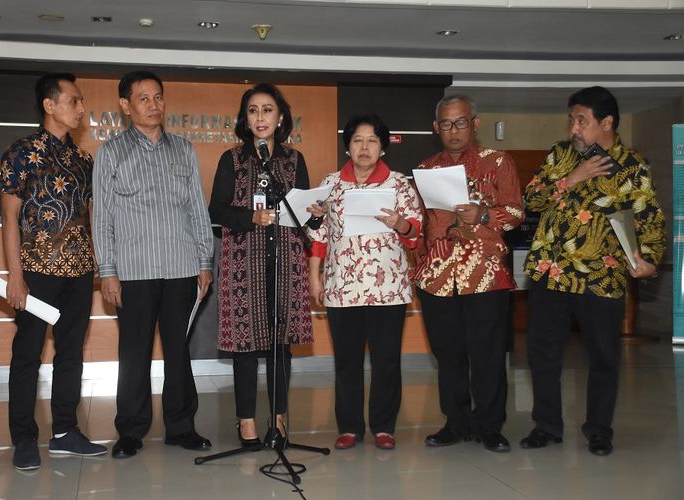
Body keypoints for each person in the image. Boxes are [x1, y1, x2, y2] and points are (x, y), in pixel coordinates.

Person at [520, 86, 665, 456]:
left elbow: (648, 219)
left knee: (603, 356)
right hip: (550, 272)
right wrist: (573, 177)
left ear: (607, 122)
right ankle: (547, 426)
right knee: (543, 354)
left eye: (581, 121)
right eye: (571, 120)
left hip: (602, 277)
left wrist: (648, 259)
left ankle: (599, 430)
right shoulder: (561, 155)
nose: (574, 128)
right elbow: (530, 200)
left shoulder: (632, 165)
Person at [93, 71, 214, 459]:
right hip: (134, 272)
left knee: (179, 350)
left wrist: (204, 260)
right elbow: (103, 217)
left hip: (181, 268)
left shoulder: (183, 149)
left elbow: (197, 208)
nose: (154, 105)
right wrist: (107, 270)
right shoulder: (111, 152)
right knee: (135, 353)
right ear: (125, 106)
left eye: (158, 97)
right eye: (143, 99)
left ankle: (181, 426)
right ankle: (131, 430)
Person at [0, 73, 107, 470]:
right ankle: (23, 437)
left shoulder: (84, 160)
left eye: (81, 102)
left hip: (79, 273)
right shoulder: (21, 152)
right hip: (35, 271)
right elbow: (9, 219)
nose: (81, 108)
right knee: (27, 354)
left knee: (70, 354)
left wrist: (98, 261)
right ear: (50, 105)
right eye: (74, 101)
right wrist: (15, 274)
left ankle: (65, 432)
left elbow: (90, 217)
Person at [413, 95, 524, 453]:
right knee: (449, 356)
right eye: (445, 124)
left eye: (460, 122)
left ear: (475, 123)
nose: (453, 130)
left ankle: (490, 425)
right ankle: (456, 422)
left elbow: (516, 212)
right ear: (436, 128)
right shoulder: (426, 168)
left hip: (486, 277)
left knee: (488, 355)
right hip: (438, 279)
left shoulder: (498, 162)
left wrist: (486, 215)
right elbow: (420, 225)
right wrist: (419, 266)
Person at [307, 114, 422, 450]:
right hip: (342, 286)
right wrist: (315, 276)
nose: (365, 147)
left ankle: (384, 427)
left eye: (372, 141)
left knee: (387, 360)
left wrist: (401, 223)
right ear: (348, 147)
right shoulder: (331, 183)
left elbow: (415, 235)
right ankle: (350, 427)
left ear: (382, 147)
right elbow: (319, 235)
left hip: (389, 289)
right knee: (347, 361)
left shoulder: (399, 185)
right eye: (358, 140)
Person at [209, 83, 314, 448]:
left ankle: (279, 419)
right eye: (253, 111)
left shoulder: (293, 160)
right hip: (243, 263)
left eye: (267, 110)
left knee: (279, 345)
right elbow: (217, 211)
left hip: (285, 264)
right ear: (245, 119)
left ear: (280, 117)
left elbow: (304, 215)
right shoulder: (232, 160)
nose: (260, 117)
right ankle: (247, 422)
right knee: (245, 346)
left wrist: (314, 214)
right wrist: (251, 218)